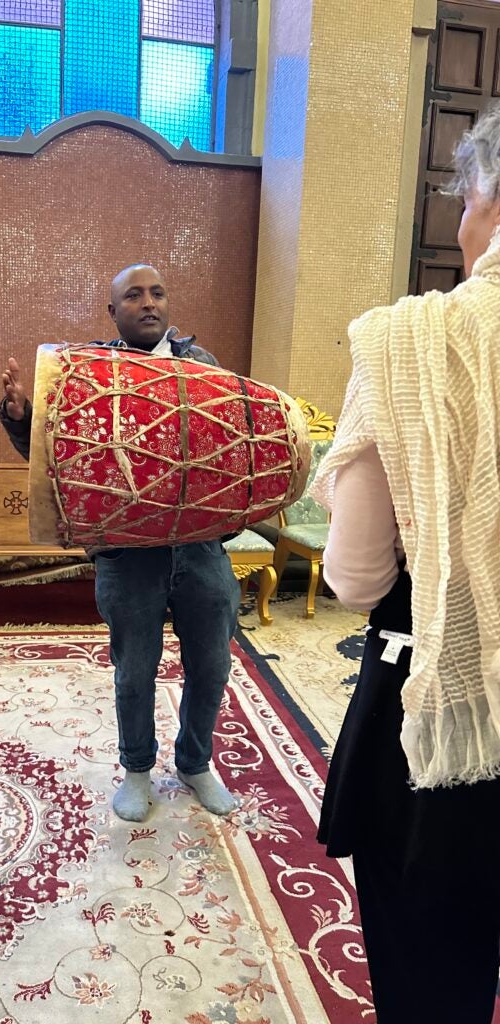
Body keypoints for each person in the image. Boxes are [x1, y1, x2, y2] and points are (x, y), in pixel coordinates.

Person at [311, 104, 500, 1024]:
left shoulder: (409, 343)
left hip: (450, 728)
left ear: (488, 197)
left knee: (435, 980)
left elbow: (355, 578)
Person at [0, 264, 241, 822]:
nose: (148, 303)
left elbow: (230, 448)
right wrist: (23, 419)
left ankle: (195, 764)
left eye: (157, 293)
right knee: (135, 671)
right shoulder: (88, 373)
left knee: (211, 666)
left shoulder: (202, 366)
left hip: (200, 548)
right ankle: (136, 771)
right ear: (113, 312)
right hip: (128, 554)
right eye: (133, 295)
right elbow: (57, 458)